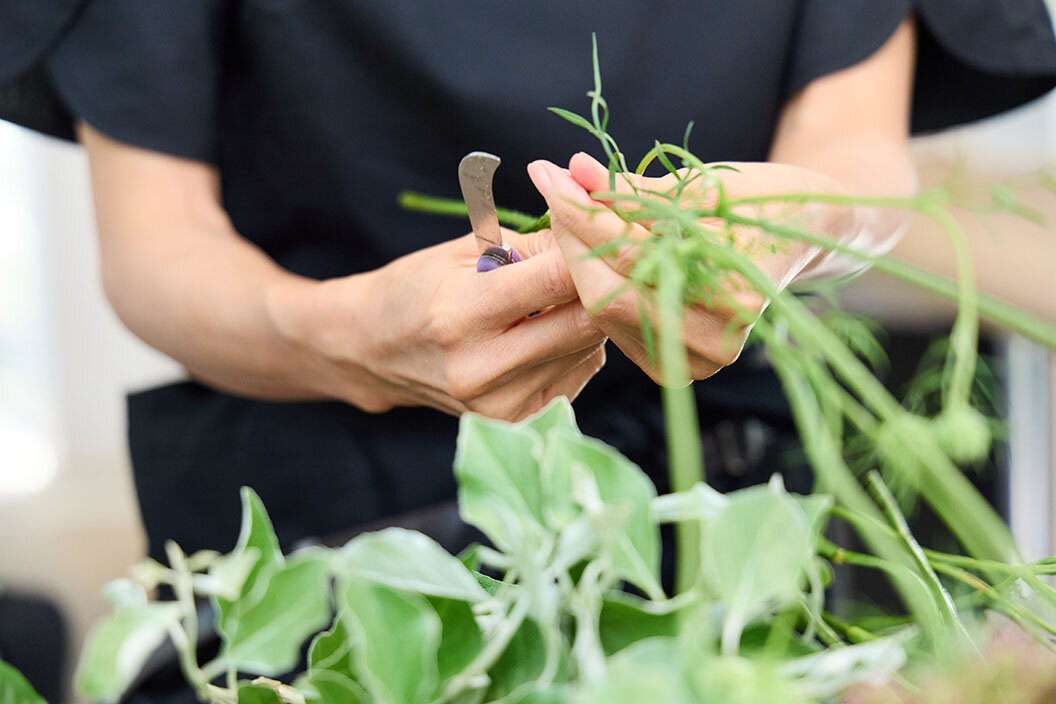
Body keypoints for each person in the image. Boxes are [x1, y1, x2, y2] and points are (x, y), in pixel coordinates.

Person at [2, 1, 1056, 699]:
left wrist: (762, 229)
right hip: (321, 509)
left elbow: (854, 163)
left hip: (738, 493)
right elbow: (153, 244)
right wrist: (335, 335)